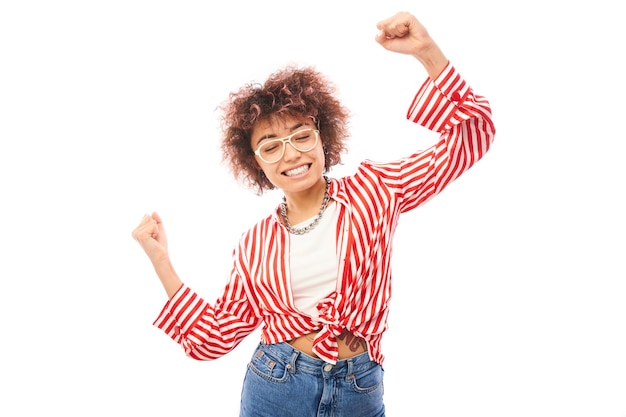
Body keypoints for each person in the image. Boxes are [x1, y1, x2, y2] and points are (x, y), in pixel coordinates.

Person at [132, 10, 495, 417]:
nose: (291, 154)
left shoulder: (375, 191)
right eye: (270, 146)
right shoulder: (255, 244)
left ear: (323, 136)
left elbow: (471, 138)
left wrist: (427, 53)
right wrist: (160, 259)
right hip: (275, 383)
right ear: (257, 163)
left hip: (359, 385)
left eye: (301, 135)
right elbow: (212, 339)